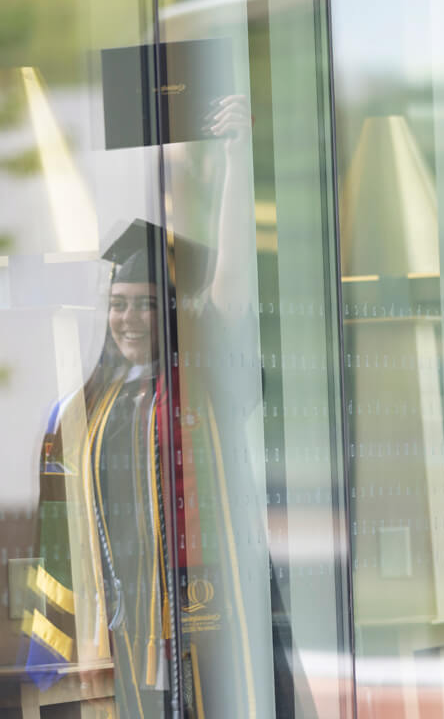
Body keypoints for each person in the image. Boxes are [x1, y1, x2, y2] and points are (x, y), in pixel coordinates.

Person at [17, 96, 310, 718]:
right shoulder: (88, 408)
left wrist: (234, 162)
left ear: (171, 312)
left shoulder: (200, 380)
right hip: (126, 615)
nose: (128, 317)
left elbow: (231, 285)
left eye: (146, 303)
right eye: (118, 303)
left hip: (209, 603)